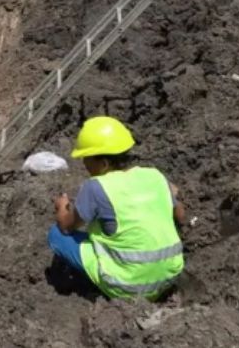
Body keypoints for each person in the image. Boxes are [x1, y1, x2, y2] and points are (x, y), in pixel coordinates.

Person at [48, 116, 185, 299]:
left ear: (104, 163)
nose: (84, 164)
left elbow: (66, 226)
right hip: (169, 277)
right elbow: (180, 215)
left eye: (87, 159)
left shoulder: (96, 186)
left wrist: (61, 207)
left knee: (55, 235)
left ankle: (93, 287)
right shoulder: (155, 176)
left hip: (127, 288)